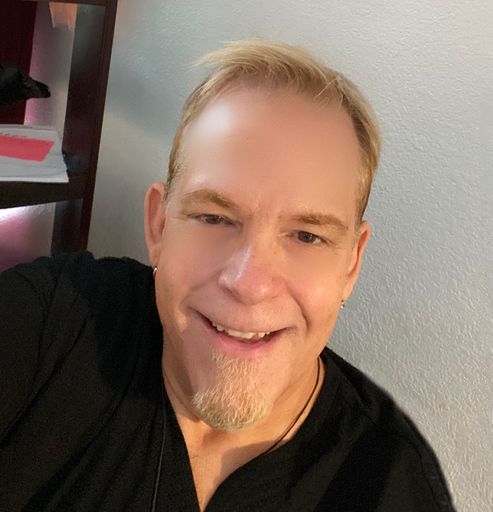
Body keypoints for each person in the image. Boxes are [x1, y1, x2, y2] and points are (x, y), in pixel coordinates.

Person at [0, 41, 455, 511]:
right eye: (214, 219)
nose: (249, 283)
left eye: (307, 236)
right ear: (159, 226)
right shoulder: (57, 322)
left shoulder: (391, 486)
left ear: (351, 265)